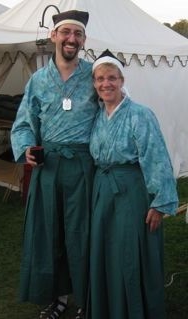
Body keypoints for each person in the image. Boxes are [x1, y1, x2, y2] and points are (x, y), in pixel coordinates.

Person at [11, 10, 98, 319]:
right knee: (51, 235)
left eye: (77, 34)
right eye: (66, 32)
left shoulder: (95, 75)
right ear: (54, 36)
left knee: (83, 235)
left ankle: (88, 301)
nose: (71, 39)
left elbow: (115, 111)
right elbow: (23, 124)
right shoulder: (38, 80)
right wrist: (25, 149)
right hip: (48, 170)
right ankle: (58, 299)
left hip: (84, 169)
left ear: (84, 39)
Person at [89, 49, 179, 319]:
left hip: (130, 191)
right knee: (107, 249)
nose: (107, 83)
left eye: (112, 78)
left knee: (129, 251)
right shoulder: (96, 116)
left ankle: (134, 309)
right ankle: (110, 307)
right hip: (103, 190)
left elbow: (156, 157)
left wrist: (160, 201)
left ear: (122, 80)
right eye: (101, 78)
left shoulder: (140, 114)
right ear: (94, 83)